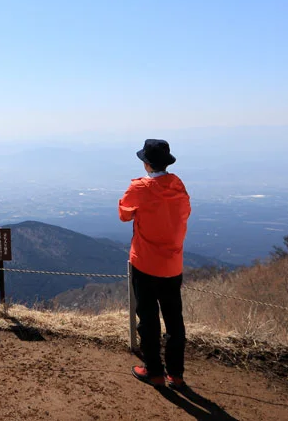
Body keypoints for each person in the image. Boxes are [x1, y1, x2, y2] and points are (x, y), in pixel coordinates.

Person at [119, 138, 192, 388]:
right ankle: (176, 374)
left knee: (148, 319)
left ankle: (154, 371)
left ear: (147, 164)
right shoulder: (177, 185)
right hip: (173, 265)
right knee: (174, 320)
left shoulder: (139, 188)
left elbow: (123, 214)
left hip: (145, 263)